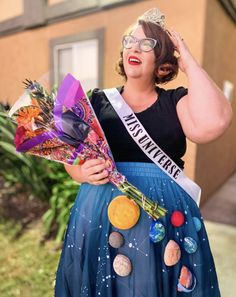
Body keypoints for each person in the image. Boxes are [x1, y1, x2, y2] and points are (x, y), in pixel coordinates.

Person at [55, 8, 233, 297]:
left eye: (146, 44)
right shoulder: (97, 101)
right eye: (129, 41)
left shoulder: (177, 101)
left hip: (161, 218)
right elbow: (72, 158)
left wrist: (187, 59)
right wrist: (80, 172)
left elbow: (215, 122)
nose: (134, 47)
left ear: (162, 61)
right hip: (101, 211)